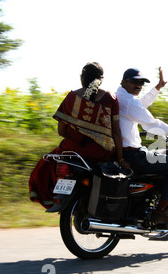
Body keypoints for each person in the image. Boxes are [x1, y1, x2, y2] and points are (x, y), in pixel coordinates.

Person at [29, 62, 128, 208]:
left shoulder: (71, 97)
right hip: (101, 153)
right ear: (101, 79)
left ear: (82, 78)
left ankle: (51, 198)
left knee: (46, 163)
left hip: (73, 150)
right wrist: (120, 158)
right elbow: (116, 132)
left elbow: (61, 131)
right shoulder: (110, 98)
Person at [116, 67, 168, 226]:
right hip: (134, 155)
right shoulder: (129, 102)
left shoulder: (121, 96)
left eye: (141, 83)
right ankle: (160, 212)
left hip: (126, 153)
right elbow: (152, 125)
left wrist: (157, 88)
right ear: (124, 81)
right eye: (134, 81)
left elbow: (140, 106)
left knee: (162, 155)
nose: (138, 85)